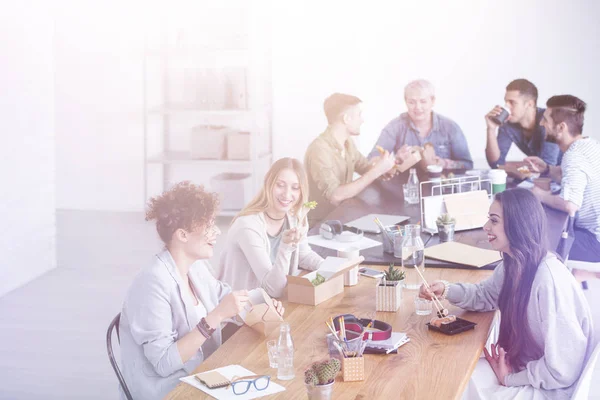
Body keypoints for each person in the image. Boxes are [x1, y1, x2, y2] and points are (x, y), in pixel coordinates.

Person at [419, 188, 594, 400]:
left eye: (494, 220)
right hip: (526, 368)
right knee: (453, 374)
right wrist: (446, 289)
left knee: (459, 382)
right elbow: (485, 296)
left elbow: (564, 368)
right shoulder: (514, 264)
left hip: (550, 388)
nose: (486, 227)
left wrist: (511, 378)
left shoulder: (549, 280)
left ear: (517, 225)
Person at [119, 182, 284, 400]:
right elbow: (162, 364)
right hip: (168, 390)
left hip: (203, 373)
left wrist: (262, 303)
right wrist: (214, 318)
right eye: (207, 225)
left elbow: (225, 297)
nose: (216, 232)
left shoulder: (195, 266)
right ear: (182, 235)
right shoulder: (152, 283)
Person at [218, 158, 324, 298]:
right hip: (241, 311)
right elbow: (273, 289)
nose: (287, 194)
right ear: (268, 184)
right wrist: (286, 246)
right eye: (280, 185)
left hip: (271, 305)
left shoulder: (294, 217)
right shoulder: (248, 226)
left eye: (295, 188)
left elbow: (303, 255)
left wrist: (330, 268)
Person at [525, 94, 600, 262]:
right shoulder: (588, 144)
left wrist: (539, 195)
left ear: (561, 127)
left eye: (545, 120)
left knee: (532, 244)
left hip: (595, 242)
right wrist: (546, 169)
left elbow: (570, 204)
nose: (541, 123)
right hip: (594, 234)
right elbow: (570, 175)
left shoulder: (574, 156)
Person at [304, 93, 396, 224]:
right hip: (320, 226)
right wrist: (377, 171)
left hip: (342, 218)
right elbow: (335, 196)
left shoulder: (347, 143)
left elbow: (366, 168)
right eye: (359, 114)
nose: (362, 120)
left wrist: (389, 165)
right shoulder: (319, 150)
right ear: (346, 119)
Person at [369, 79, 473, 171]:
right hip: (404, 188)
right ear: (405, 102)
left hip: (443, 187)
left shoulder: (450, 127)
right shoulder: (395, 127)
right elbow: (371, 161)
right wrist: (396, 159)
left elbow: (467, 164)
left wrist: (441, 163)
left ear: (432, 101)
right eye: (412, 102)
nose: (418, 107)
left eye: (423, 101)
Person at [485, 79, 561, 168]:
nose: (506, 107)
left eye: (512, 102)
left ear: (530, 104)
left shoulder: (548, 121)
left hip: (566, 174)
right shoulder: (508, 124)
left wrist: (514, 167)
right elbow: (495, 164)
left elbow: (548, 166)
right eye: (506, 102)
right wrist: (491, 129)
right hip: (540, 175)